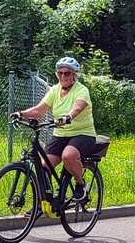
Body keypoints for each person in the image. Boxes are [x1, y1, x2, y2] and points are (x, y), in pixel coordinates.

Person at [13, 56, 95, 202]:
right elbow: (39, 110)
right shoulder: (54, 90)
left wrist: (68, 117)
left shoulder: (82, 91)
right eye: (60, 73)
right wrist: (21, 114)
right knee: (44, 168)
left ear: (74, 75)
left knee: (68, 156)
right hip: (60, 135)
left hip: (82, 134)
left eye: (67, 73)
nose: (63, 76)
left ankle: (80, 184)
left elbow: (77, 108)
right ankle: (44, 201)